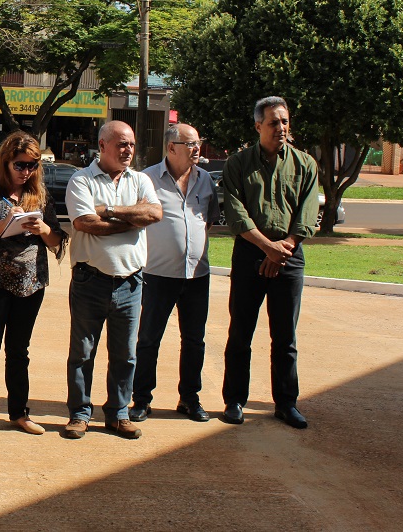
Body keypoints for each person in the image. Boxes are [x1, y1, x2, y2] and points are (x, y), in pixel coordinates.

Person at [221, 96, 319, 429]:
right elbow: (235, 213)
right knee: (241, 333)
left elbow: (307, 213)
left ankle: (286, 403)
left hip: (290, 257)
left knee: (285, 336)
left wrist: (284, 249)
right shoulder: (238, 164)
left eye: (285, 121)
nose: (281, 128)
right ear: (258, 125)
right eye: (274, 122)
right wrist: (267, 248)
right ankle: (234, 400)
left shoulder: (305, 164)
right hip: (251, 254)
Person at [0, 131, 68, 441]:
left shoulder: (40, 195)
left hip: (30, 284)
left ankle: (19, 413)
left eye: (32, 165)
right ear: (5, 162)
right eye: (20, 165)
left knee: (19, 351)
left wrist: (43, 227)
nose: (26, 172)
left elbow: (57, 241)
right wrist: (4, 224)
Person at [63, 120, 162, 440]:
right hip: (90, 281)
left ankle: (118, 413)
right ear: (102, 145)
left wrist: (111, 211)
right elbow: (86, 222)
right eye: (121, 144)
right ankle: (80, 414)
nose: (128, 150)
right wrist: (132, 220)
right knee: (82, 352)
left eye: (131, 144)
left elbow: (155, 214)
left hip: (130, 283)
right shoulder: (82, 180)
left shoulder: (141, 180)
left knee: (125, 354)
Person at [130, 124, 220, 424]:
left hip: (197, 275)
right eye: (190, 144)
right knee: (148, 340)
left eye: (198, 143)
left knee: (194, 340)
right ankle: (141, 400)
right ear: (171, 148)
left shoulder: (206, 180)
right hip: (157, 274)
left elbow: (208, 222)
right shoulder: (146, 180)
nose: (197, 149)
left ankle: (189, 399)